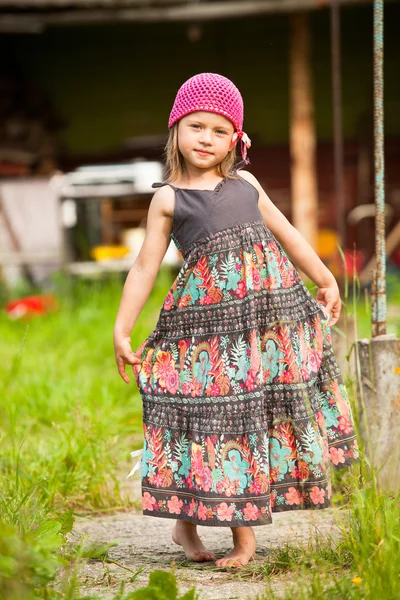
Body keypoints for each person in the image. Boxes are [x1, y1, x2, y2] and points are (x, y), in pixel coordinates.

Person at [113, 72, 360, 569]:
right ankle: (194, 526)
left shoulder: (244, 183)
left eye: (220, 130)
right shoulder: (168, 199)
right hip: (207, 330)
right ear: (176, 129)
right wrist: (122, 328)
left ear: (236, 139)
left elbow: (287, 232)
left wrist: (326, 278)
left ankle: (238, 535)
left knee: (250, 416)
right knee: (212, 416)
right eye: (196, 126)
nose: (207, 138)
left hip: (262, 324)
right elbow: (144, 266)